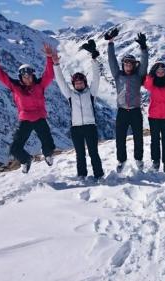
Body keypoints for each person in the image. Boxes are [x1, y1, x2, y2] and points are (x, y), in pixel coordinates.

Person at [0, 42, 56, 174]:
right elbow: (0, 75)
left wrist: (49, 58)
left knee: (48, 142)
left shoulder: (40, 84)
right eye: (24, 76)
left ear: (33, 75)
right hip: (25, 120)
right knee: (15, 148)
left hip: (39, 117)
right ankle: (25, 159)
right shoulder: (15, 86)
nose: (27, 78)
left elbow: (49, 75)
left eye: (29, 75)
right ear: (20, 76)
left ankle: (48, 154)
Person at [53, 39, 104, 180]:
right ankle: (81, 175)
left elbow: (97, 78)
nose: (79, 85)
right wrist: (56, 64)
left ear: (84, 83)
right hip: (76, 128)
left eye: (81, 83)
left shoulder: (91, 93)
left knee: (94, 152)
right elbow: (60, 81)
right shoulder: (70, 95)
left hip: (90, 127)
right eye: (76, 83)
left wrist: (94, 60)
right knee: (80, 153)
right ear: (73, 84)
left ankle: (98, 175)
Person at [105, 28, 149, 173]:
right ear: (123, 64)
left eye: (130, 63)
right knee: (120, 139)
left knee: (138, 138)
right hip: (122, 111)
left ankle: (138, 159)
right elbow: (111, 60)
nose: (128, 65)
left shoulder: (139, 75)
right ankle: (121, 160)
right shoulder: (118, 75)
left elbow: (145, 63)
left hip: (135, 111)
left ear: (134, 65)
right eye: (126, 63)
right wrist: (110, 43)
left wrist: (143, 48)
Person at [143, 62, 165, 173]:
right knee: (154, 140)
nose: (160, 73)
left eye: (162, 72)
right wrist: (149, 75)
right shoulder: (152, 82)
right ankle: (156, 161)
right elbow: (146, 86)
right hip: (154, 116)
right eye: (158, 72)